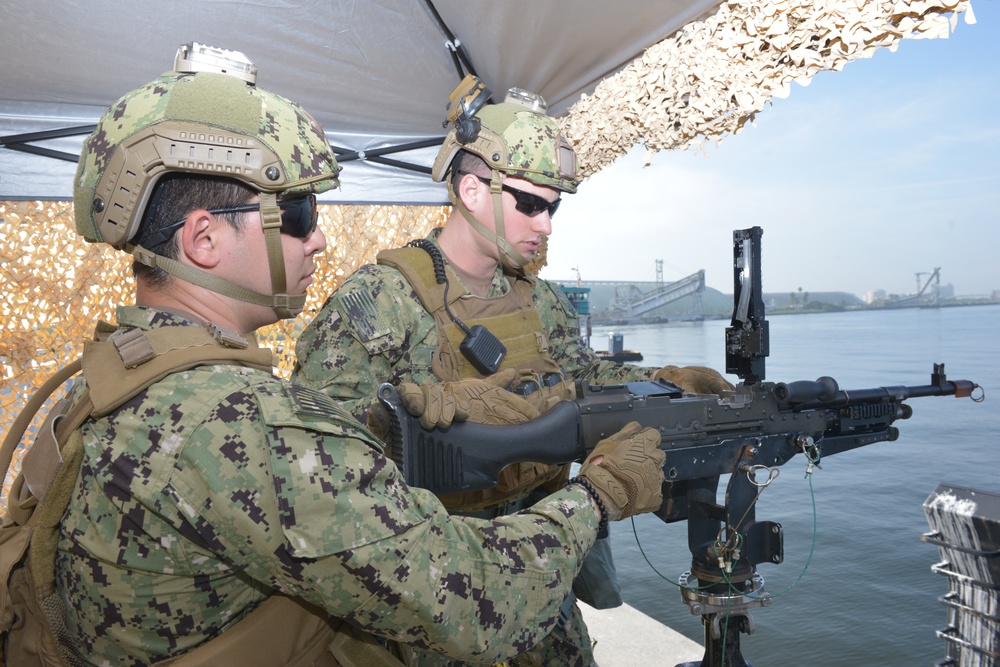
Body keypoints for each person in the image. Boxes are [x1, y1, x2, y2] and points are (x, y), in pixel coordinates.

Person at [5, 44, 668, 666]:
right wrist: (601, 492)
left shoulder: (114, 372)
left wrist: (385, 422)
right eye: (297, 214)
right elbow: (468, 597)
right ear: (203, 239)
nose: (318, 239)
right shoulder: (239, 415)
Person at [292, 82, 733, 666]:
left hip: (541, 563)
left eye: (554, 206)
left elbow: (582, 378)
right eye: (531, 203)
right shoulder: (379, 301)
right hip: (437, 584)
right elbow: (315, 458)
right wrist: (410, 415)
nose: (546, 225)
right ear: (472, 189)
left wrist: (667, 383)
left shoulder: (539, 300)